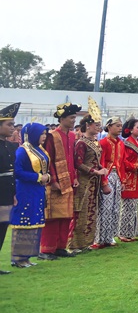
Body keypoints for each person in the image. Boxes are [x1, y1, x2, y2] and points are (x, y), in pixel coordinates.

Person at [39, 101, 80, 260]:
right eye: (71, 117)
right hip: (55, 182)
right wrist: (52, 181)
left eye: (74, 117)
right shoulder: (52, 135)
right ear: (61, 119)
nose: (73, 120)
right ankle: (46, 249)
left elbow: (72, 160)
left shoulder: (72, 135)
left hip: (69, 181)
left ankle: (61, 247)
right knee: (53, 216)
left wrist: (75, 177)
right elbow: (48, 160)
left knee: (66, 215)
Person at [10, 122, 49, 269]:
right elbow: (18, 172)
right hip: (25, 190)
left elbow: (46, 169)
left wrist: (47, 177)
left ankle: (27, 256)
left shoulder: (39, 150)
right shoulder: (22, 151)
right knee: (24, 221)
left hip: (38, 191)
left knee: (34, 221)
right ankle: (18, 258)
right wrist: (38, 177)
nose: (44, 136)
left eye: (45, 134)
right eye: (41, 134)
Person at [70, 110, 107, 252]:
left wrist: (101, 169)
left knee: (91, 211)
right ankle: (74, 244)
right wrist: (95, 171)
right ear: (88, 125)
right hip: (84, 182)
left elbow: (95, 161)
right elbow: (78, 163)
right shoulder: (81, 143)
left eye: (99, 125)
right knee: (81, 211)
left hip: (94, 183)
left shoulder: (95, 142)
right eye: (96, 125)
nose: (98, 127)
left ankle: (86, 242)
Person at [95, 117, 124, 247]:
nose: (120, 128)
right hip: (107, 176)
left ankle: (111, 236)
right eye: (117, 125)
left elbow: (121, 163)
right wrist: (104, 182)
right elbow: (101, 164)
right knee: (105, 207)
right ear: (109, 127)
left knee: (115, 208)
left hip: (117, 176)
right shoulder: (103, 143)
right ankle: (101, 237)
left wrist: (122, 179)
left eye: (121, 125)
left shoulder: (120, 143)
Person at [119, 117, 138, 242]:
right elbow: (123, 161)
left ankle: (131, 232)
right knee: (127, 206)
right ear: (130, 130)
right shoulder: (125, 144)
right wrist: (137, 167)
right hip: (129, 176)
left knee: (135, 206)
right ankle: (123, 233)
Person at [0, 102, 20, 273]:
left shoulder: (9, 146)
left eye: (13, 124)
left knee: (2, 227)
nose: (12, 128)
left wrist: (13, 193)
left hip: (7, 193)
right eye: (9, 124)